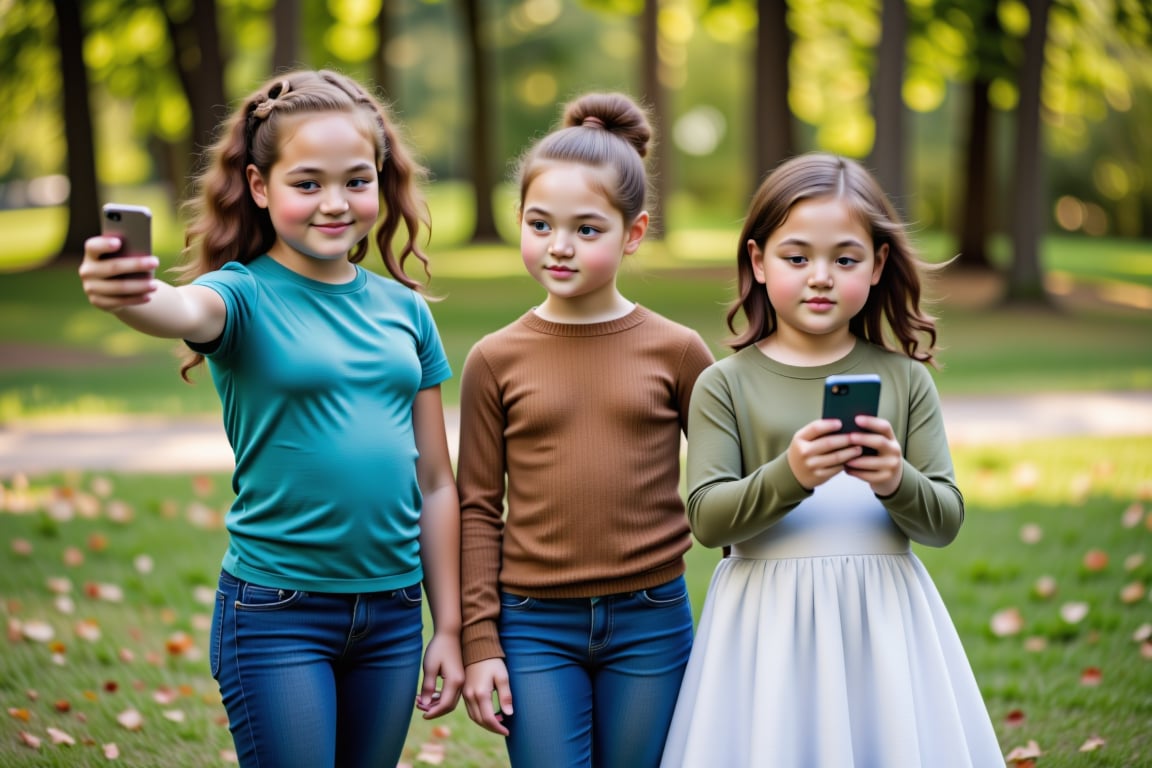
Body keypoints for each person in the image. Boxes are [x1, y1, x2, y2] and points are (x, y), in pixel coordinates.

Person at [78, 69, 463, 768]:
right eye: (307, 183)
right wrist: (126, 292)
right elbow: (177, 309)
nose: (335, 204)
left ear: (379, 179)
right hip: (279, 615)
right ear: (260, 187)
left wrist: (451, 626)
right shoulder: (240, 294)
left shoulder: (405, 311)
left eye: (356, 180)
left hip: (393, 614)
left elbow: (437, 482)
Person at [660, 153, 1003, 767]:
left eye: (844, 259)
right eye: (797, 258)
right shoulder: (724, 385)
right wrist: (791, 474)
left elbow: (944, 522)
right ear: (758, 261)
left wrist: (896, 478)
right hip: (764, 621)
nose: (820, 276)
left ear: (877, 266)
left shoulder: (905, 381)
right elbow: (707, 519)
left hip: (882, 619)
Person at [456, 92, 715, 767]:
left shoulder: (679, 351)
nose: (559, 247)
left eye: (587, 229)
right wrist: (481, 642)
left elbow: (728, 485)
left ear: (634, 232)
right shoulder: (494, 359)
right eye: (539, 225)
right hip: (533, 626)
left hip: (651, 622)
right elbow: (478, 508)